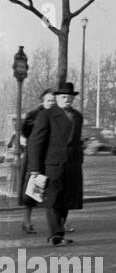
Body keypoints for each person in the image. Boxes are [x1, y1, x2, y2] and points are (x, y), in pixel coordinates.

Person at [27, 82, 85, 246]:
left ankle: (59, 232)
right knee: (52, 200)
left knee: (67, 199)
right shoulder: (47, 115)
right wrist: (34, 168)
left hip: (71, 164)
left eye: (70, 97)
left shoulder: (77, 116)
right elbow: (35, 142)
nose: (67, 100)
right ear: (57, 98)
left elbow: (76, 141)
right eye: (63, 97)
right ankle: (55, 234)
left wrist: (79, 158)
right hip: (52, 164)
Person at [17, 89, 55, 235]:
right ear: (42, 101)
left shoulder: (58, 116)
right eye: (48, 100)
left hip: (52, 157)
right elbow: (26, 132)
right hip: (37, 156)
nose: (51, 103)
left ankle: (57, 223)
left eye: (53, 100)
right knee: (34, 189)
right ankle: (27, 220)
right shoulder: (34, 115)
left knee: (55, 190)